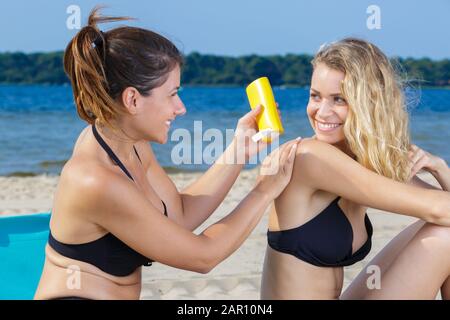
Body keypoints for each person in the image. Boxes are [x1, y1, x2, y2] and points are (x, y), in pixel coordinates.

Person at [34, 7, 301, 300]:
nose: (181, 108)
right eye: (172, 94)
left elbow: (180, 216)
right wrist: (263, 191)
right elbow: (202, 257)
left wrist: (238, 151)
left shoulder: (128, 140)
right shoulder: (94, 180)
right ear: (133, 99)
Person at [261, 38, 450, 300]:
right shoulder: (310, 157)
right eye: (315, 96)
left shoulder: (363, 159)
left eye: (339, 99)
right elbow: (441, 208)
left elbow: (442, 209)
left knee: (440, 226)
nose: (321, 112)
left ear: (369, 103)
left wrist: (441, 169)